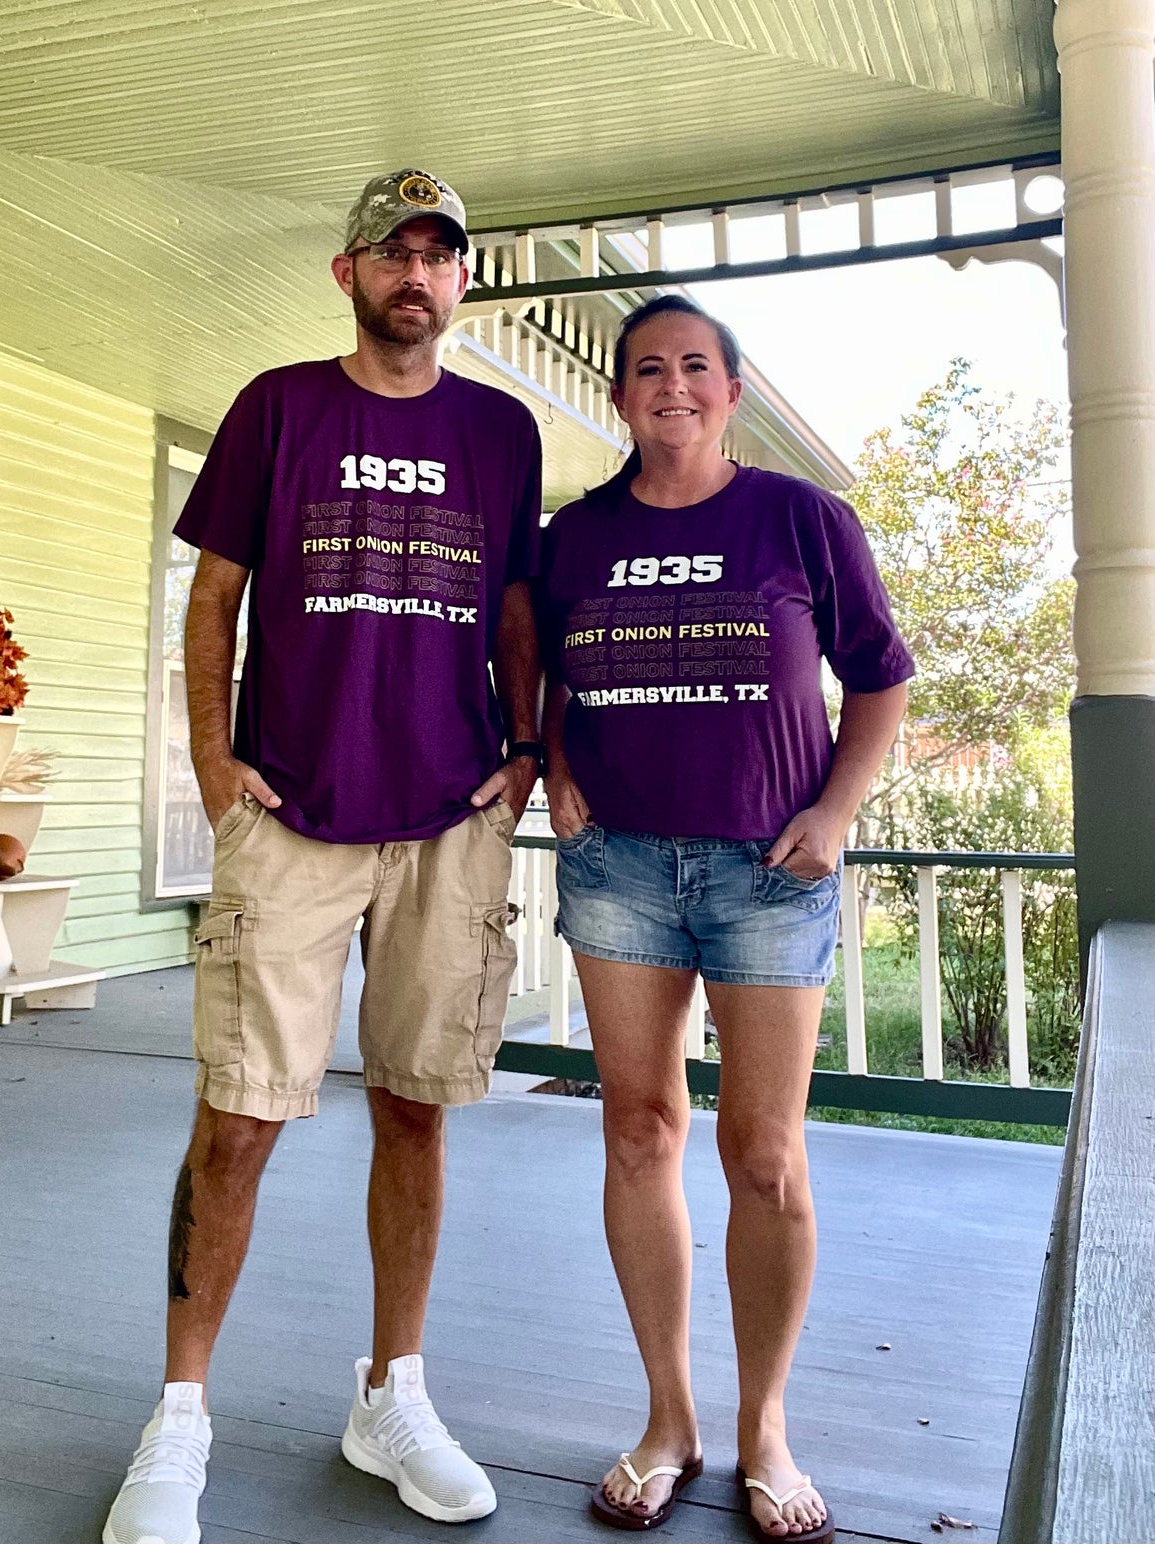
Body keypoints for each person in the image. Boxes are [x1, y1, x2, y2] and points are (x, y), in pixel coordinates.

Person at [102, 169, 544, 1544]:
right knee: (236, 1120)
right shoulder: (276, 407)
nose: (418, 274)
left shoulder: (501, 430)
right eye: (393, 252)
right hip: (290, 813)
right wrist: (210, 758)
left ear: (462, 281)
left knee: (414, 1105)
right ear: (348, 272)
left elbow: (519, 606)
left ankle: (390, 1393)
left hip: (445, 821)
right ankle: (179, 1417)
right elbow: (215, 598)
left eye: (440, 256)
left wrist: (524, 751)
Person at [539, 294, 913, 1541]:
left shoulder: (798, 518)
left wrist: (840, 806)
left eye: (695, 365)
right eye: (647, 368)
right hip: (620, 871)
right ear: (619, 395)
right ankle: (666, 1419)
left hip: (766, 869)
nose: (672, 385)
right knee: (640, 1130)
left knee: (762, 1153)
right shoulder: (572, 535)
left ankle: (763, 1427)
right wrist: (552, 764)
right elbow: (537, 666)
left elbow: (879, 673)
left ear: (731, 389)